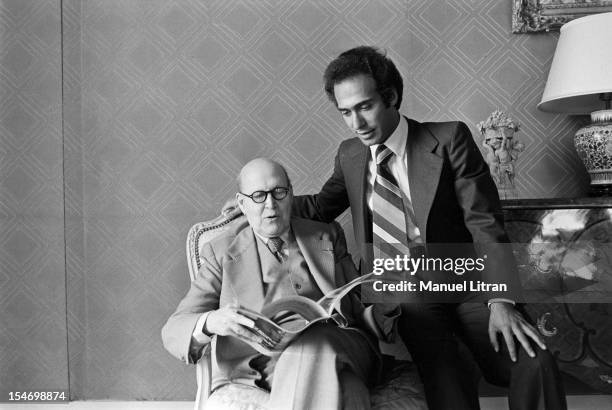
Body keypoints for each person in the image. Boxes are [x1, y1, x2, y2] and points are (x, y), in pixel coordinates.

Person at [288, 46, 567, 410]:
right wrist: (259, 199)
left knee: (535, 360)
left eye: (365, 106)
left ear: (391, 97)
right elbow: (320, 206)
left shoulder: (449, 140)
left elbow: (484, 223)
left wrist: (501, 300)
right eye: (345, 112)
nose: (356, 123)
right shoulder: (350, 155)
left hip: (465, 283)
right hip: (401, 291)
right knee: (447, 373)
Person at [162, 158, 386, 410]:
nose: (271, 205)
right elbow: (173, 329)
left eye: (279, 192)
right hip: (261, 366)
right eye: (258, 195)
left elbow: (358, 304)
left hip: (340, 346)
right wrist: (212, 321)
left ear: (290, 195)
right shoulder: (221, 251)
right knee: (350, 390)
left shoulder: (327, 234)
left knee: (315, 343)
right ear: (242, 203)